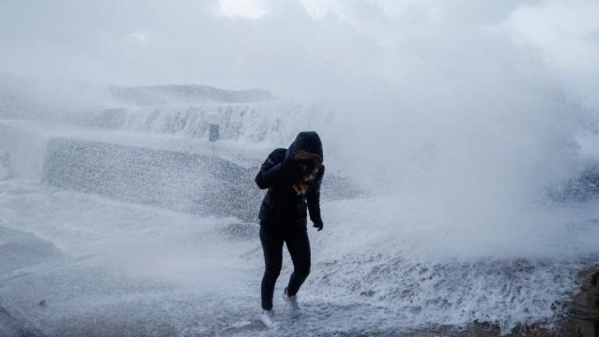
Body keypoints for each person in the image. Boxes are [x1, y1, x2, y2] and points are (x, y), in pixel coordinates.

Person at [254, 131, 325, 327]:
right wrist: (285, 167)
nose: (307, 162)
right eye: (304, 156)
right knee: (273, 268)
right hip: (271, 222)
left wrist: (316, 218)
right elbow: (260, 181)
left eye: (312, 158)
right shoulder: (278, 156)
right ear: (296, 151)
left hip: (296, 223)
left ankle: (290, 294)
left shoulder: (317, 169)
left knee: (303, 268)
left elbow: (312, 195)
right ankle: (266, 311)